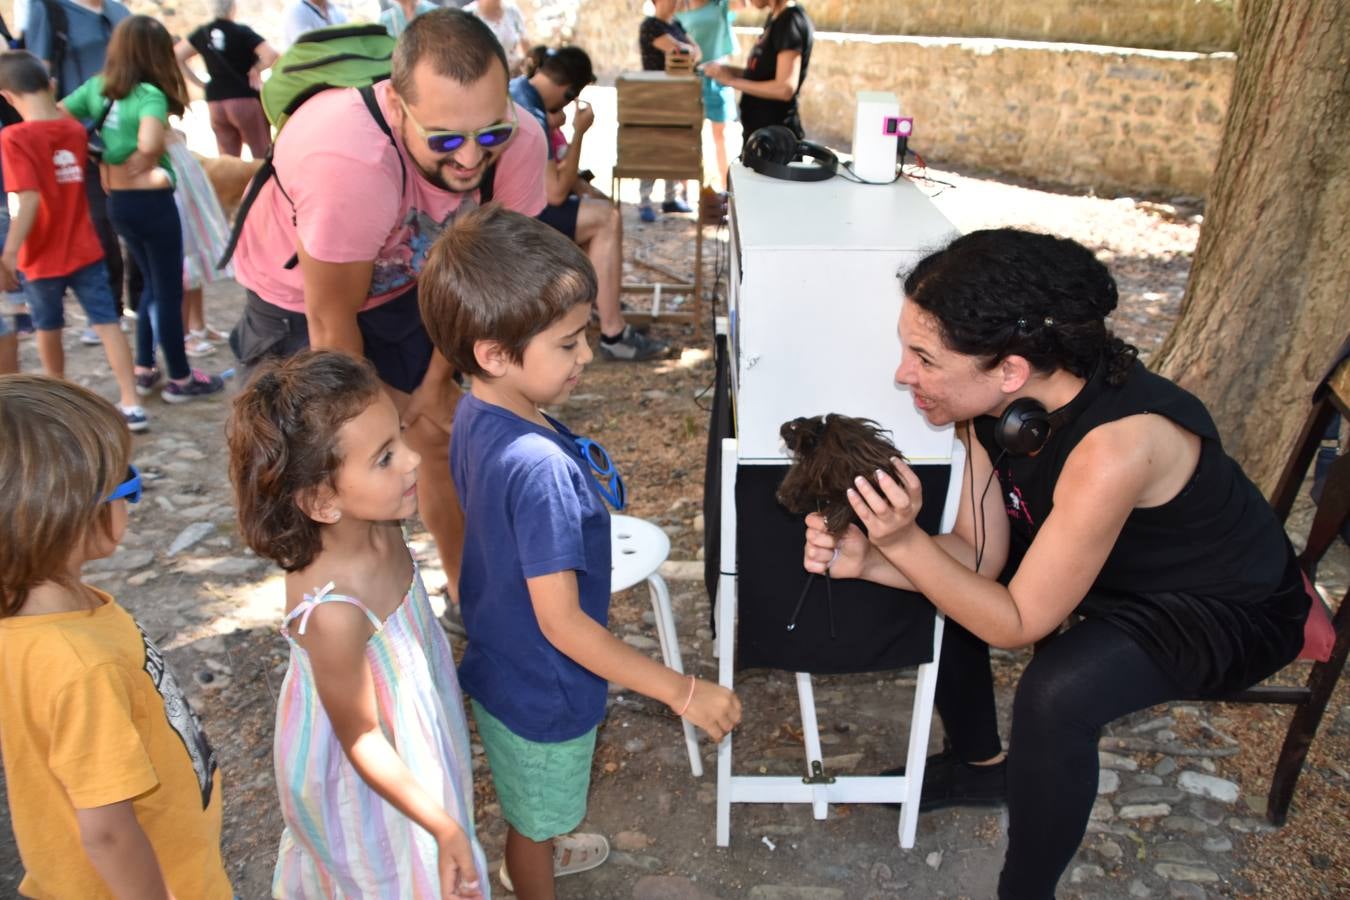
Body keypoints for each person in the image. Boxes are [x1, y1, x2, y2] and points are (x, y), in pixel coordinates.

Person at [800, 228, 1311, 899]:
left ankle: (1025, 891)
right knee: (946, 587)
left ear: (1011, 369)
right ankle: (981, 763)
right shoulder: (994, 409)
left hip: (1221, 604)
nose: (903, 374)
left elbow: (1014, 621)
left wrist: (903, 544)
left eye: (923, 357)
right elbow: (976, 558)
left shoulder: (1117, 448)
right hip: (1103, 571)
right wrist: (871, 559)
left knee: (1056, 694)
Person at [421, 205, 743, 897]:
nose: (587, 357)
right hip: (545, 690)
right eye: (568, 345)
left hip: (504, 664)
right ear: (494, 353)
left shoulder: (478, 409)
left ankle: (536, 843)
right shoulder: (538, 467)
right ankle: (532, 868)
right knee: (536, 819)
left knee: (533, 804)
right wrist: (682, 691)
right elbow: (562, 624)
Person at [230, 9, 548, 602]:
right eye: (447, 139)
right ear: (398, 108)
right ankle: (343, 625)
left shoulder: (522, 140)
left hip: (410, 284)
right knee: (334, 472)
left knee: (439, 438)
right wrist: (396, 412)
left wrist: (433, 387)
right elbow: (332, 329)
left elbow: (485, 289)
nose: (472, 159)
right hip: (301, 303)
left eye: (491, 134)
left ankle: (465, 599)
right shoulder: (348, 160)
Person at [227, 350, 486, 898]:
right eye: (385, 457)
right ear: (322, 500)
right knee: (388, 870)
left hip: (411, 738)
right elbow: (362, 737)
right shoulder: (333, 611)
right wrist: (440, 824)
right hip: (366, 769)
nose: (413, 460)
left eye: (399, 438)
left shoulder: (384, 526)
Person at [0, 374, 232, 898]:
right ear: (69, 514)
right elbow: (107, 831)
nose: (133, 492)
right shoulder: (82, 667)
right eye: (125, 480)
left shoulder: (34, 621)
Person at [63, 15, 225, 403]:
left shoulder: (95, 87)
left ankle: (144, 367)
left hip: (119, 203)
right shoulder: (149, 94)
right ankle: (182, 379)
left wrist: (99, 155)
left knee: (152, 283)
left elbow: (56, 117)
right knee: (168, 288)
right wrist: (140, 155)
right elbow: (151, 142)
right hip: (153, 202)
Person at [0, 50, 145, 429]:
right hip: (84, 245)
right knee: (107, 322)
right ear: (50, 85)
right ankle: (131, 401)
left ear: (7, 96)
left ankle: (57, 401)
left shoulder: (13, 137)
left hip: (40, 254)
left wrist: (9, 251)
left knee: (49, 328)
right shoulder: (73, 130)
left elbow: (28, 198)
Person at [511, 45, 670, 361]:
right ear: (569, 91)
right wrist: (579, 133)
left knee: (604, 209)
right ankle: (613, 334)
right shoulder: (533, 112)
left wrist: (585, 187)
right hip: (517, 217)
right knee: (605, 219)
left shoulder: (520, 89)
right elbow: (555, 192)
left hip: (520, 202)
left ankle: (602, 305)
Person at [23, 0, 132, 318]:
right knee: (99, 222)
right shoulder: (48, 9)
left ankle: (145, 305)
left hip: (133, 134)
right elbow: (38, 73)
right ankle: (110, 307)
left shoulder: (118, 11)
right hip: (79, 138)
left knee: (136, 219)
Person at [175, 0, 278, 160]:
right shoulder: (242, 31)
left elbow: (177, 55)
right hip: (243, 97)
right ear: (232, 8)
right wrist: (256, 69)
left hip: (215, 100)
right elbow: (270, 54)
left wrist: (197, 82)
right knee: (262, 155)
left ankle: (237, 186)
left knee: (228, 160)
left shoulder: (202, 33)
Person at [704, 0, 812, 150]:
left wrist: (732, 81)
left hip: (775, 141)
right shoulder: (775, 17)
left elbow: (784, 88)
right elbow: (762, 75)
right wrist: (728, 72)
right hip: (759, 134)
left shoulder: (790, 21)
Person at [636, 0, 698, 223]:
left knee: (674, 145)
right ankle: (645, 200)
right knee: (654, 148)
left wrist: (688, 51)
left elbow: (695, 52)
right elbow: (680, 50)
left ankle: (670, 197)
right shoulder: (651, 25)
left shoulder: (677, 24)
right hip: (655, 96)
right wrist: (687, 51)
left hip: (677, 96)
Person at [675, 0, 741, 192]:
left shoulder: (721, 5)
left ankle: (727, 188)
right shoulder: (678, 8)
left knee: (721, 135)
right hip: (690, 78)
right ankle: (684, 191)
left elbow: (743, 4)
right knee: (689, 136)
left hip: (718, 78)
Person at [464, 0, 529, 75]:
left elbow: (526, 44)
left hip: (516, 74)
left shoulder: (511, 10)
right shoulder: (467, 15)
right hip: (488, 78)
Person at [280, 0, 348, 52]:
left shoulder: (337, 11)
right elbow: (307, 50)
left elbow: (348, 42)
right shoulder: (295, 10)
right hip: (309, 68)